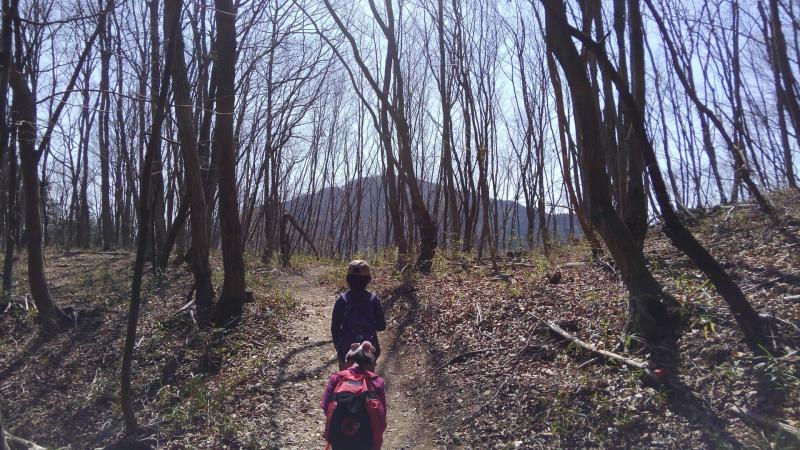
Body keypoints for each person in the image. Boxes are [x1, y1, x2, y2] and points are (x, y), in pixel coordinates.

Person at [321, 341, 387, 450]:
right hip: (367, 439)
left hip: (339, 436)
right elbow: (382, 413)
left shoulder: (336, 378)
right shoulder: (376, 381)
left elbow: (325, 406)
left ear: (348, 362)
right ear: (370, 363)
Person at [331, 260, 386, 370]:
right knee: (369, 382)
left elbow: (335, 328)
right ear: (368, 280)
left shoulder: (342, 300)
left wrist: (339, 346)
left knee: (344, 380)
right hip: (368, 351)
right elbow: (381, 326)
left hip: (346, 351)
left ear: (348, 279)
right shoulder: (373, 299)